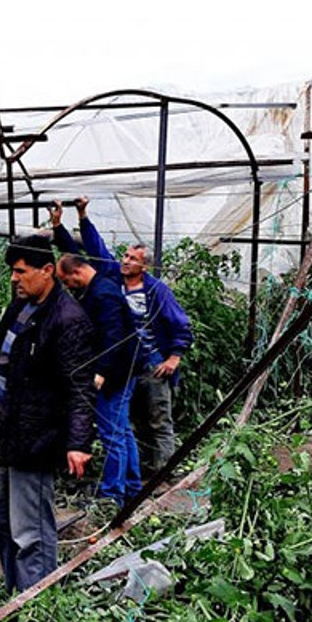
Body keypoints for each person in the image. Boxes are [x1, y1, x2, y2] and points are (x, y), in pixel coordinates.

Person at [0, 234, 95, 592]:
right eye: (13, 271)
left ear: (48, 271)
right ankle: (14, 596)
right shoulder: (21, 308)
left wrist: (78, 442)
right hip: (7, 433)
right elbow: (4, 363)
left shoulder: (67, 320)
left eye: (21, 271)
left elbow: (80, 387)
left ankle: (36, 604)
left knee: (32, 531)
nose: (14, 278)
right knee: (4, 525)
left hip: (36, 438)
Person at [50, 197, 193, 479]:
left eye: (132, 259)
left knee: (157, 419)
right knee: (128, 421)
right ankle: (136, 477)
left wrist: (174, 356)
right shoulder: (113, 278)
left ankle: (163, 471)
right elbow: (88, 253)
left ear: (145, 267)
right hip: (124, 359)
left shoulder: (156, 291)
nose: (125, 261)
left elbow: (181, 324)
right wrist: (79, 216)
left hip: (152, 361)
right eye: (125, 256)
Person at [51, 201, 142, 506]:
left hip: (115, 372)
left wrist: (101, 372)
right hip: (124, 369)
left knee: (112, 433)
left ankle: (112, 495)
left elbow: (114, 337)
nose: (68, 287)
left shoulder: (103, 293)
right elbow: (75, 254)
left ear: (77, 274)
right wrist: (58, 226)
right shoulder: (101, 280)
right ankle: (131, 487)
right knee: (122, 430)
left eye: (67, 282)